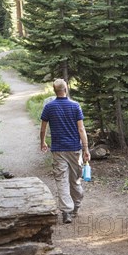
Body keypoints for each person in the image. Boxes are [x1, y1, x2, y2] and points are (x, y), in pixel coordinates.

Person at [40, 78, 90, 224]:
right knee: (75, 180)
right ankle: (75, 207)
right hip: (75, 149)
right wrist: (86, 149)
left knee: (62, 180)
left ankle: (66, 211)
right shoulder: (75, 106)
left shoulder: (49, 107)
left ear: (54, 90)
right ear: (66, 89)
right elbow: (81, 129)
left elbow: (43, 128)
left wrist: (42, 142)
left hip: (58, 150)